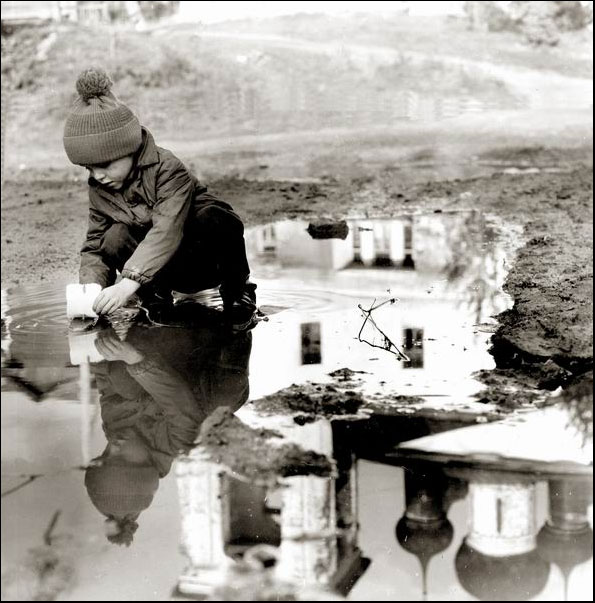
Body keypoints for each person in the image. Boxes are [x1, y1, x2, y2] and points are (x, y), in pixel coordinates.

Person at [63, 68, 257, 329]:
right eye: (89, 168)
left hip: (202, 262)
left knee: (217, 217)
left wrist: (126, 285)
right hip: (159, 273)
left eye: (105, 165)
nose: (98, 175)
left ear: (129, 149)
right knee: (113, 237)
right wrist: (90, 292)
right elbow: (95, 245)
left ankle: (238, 292)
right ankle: (154, 299)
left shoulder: (168, 168)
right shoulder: (100, 189)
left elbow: (167, 229)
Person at [85, 322, 253, 545]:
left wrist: (99, 349)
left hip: (158, 343)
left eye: (104, 455)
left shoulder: (116, 428)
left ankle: (145, 321)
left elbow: (106, 385)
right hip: (202, 352)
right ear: (146, 466)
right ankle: (237, 325)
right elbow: (175, 397)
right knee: (224, 397)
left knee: (123, 384)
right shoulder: (180, 444)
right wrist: (134, 359)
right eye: (120, 458)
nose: (113, 446)